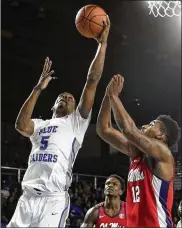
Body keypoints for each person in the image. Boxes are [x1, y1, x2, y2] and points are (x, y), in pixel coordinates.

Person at [7, 16, 110, 228]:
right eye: (61, 97)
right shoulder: (40, 125)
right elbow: (20, 126)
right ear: (53, 107)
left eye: (71, 97)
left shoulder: (76, 122)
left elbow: (92, 81)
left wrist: (102, 45)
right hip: (27, 199)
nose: (67, 97)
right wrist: (37, 89)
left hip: (53, 199)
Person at [96, 74, 180, 227]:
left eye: (151, 124)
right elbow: (104, 129)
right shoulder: (136, 153)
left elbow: (129, 130)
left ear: (161, 135)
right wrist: (107, 95)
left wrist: (114, 95)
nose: (145, 126)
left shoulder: (163, 153)